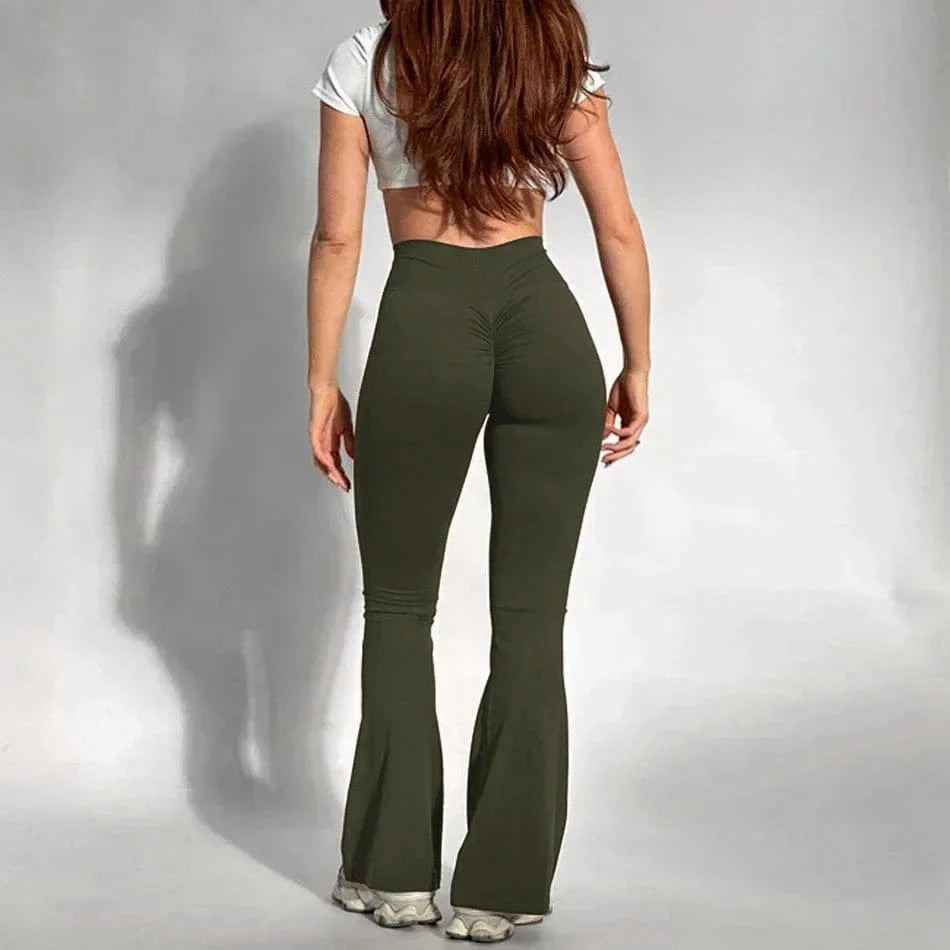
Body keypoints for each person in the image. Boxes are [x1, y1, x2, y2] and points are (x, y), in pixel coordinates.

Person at [306, 1, 650, 942]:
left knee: (398, 608)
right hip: (548, 328)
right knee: (533, 619)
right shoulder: (552, 53)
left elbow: (338, 238)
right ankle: (502, 886)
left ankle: (393, 877)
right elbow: (619, 228)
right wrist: (637, 363)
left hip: (426, 324)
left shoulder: (367, 58)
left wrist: (322, 382)